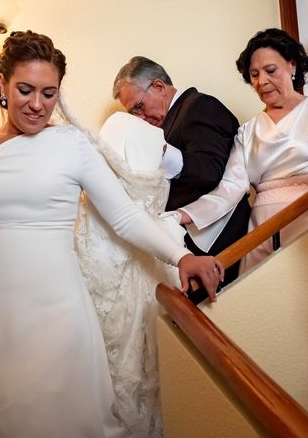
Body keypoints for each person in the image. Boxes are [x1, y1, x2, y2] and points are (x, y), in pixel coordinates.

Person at [0, 31, 223, 438]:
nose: (38, 105)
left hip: (58, 307)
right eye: (25, 90)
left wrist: (181, 256)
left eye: (50, 93)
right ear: (2, 84)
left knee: (62, 417)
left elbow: (125, 216)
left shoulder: (73, 144)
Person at [178, 28, 308, 273]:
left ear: (292, 66)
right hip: (261, 227)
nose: (262, 81)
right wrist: (182, 216)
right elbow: (230, 189)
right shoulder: (247, 131)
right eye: (254, 74)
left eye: (270, 71)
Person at [71, 110, 184, 437]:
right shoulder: (133, 135)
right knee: (127, 360)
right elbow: (127, 216)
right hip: (133, 260)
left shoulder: (125, 135)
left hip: (110, 261)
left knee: (120, 360)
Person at [112, 57, 251, 292]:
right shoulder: (166, 123)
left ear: (158, 86)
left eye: (138, 106)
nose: (140, 118)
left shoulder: (199, 106)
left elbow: (210, 171)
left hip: (217, 237)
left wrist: (163, 153)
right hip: (186, 241)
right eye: (133, 113)